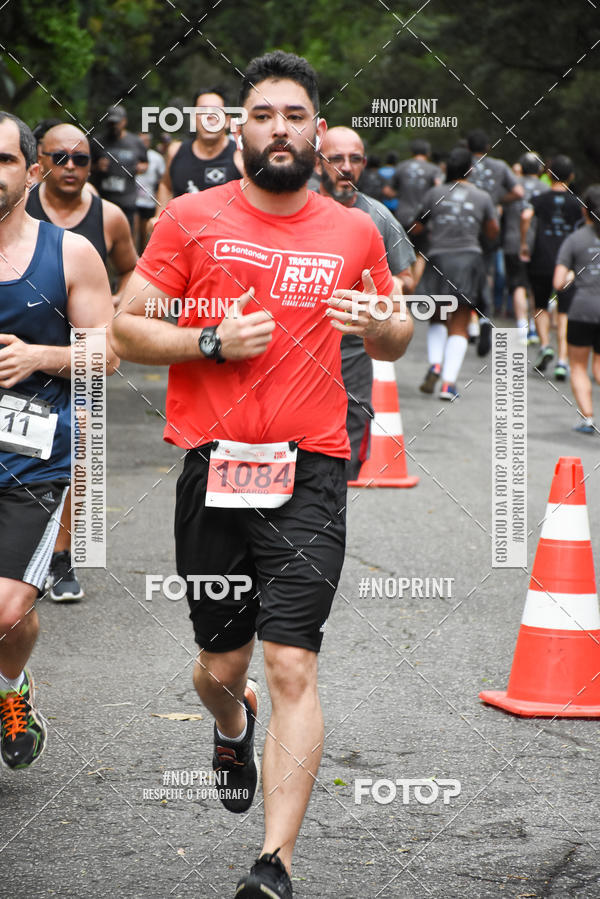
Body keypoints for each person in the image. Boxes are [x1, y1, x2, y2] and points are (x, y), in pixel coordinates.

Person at [111, 50, 412, 898]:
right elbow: (127, 329)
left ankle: (274, 862)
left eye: (295, 115)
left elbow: (392, 336)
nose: (280, 128)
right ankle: (231, 726)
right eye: (263, 114)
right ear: (238, 128)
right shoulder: (190, 219)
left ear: (317, 131)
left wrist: (381, 323)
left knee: (292, 663)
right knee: (220, 668)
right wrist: (209, 340)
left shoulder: (352, 230)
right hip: (212, 469)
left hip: (312, 469)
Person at [0, 112, 117, 769]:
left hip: (31, 460)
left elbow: (108, 352)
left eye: (4, 160)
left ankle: (12, 686)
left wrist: (40, 357)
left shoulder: (69, 252)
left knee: (9, 609)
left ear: (31, 171)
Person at [27, 122, 137, 602]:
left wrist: (121, 306)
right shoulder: (17, 205)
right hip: (20, 345)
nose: (71, 168)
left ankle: (62, 556)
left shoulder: (109, 216)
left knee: (80, 451)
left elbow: (134, 266)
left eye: (82, 159)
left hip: (82, 353)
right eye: (60, 157)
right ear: (39, 163)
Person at [317, 126, 415, 479]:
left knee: (347, 452)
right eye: (336, 159)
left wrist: (387, 294)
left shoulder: (378, 217)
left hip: (354, 351)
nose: (346, 167)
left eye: (354, 159)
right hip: (300, 348)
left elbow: (406, 277)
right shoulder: (296, 206)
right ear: (317, 163)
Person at [413, 146, 499, 399]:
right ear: (470, 170)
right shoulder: (482, 197)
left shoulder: (434, 194)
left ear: (446, 168)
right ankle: (448, 384)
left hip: (439, 259)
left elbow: (417, 227)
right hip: (468, 260)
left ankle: (435, 364)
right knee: (460, 324)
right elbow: (493, 230)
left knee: (438, 317)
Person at [521, 155, 584, 380]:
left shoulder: (539, 199)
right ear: (572, 176)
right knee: (565, 312)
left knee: (539, 305)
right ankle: (562, 361)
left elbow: (526, 215)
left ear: (548, 174)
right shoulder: (578, 203)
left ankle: (545, 345)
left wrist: (524, 244)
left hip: (541, 259)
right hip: (567, 265)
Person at [466, 129, 524, 352]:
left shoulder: (463, 163)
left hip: (465, 227)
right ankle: (484, 316)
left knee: (466, 273)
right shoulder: (500, 166)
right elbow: (518, 192)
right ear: (488, 147)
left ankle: (470, 323)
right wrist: (498, 199)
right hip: (491, 226)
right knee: (486, 274)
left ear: (468, 148)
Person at [553, 185, 600, 433]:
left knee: (579, 366)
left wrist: (572, 274)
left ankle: (588, 418)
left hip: (582, 309)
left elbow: (558, 283)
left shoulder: (575, 239)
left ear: (585, 212)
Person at [156, 87, 242, 208]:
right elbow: (165, 186)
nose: (209, 116)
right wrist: (159, 217)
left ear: (227, 121)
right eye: (202, 110)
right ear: (193, 118)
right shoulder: (175, 152)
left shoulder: (241, 157)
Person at [501, 152, 550, 344]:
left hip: (513, 241)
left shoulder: (514, 188)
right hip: (538, 245)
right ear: (540, 169)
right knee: (534, 288)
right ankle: (533, 327)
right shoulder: (545, 188)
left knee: (518, 285)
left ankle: (521, 326)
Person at [391, 139, 442, 285]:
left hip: (402, 217)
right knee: (421, 255)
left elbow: (389, 190)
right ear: (428, 153)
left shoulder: (401, 167)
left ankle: (407, 287)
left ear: (412, 152)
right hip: (423, 218)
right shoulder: (434, 169)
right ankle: (415, 288)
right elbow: (438, 190)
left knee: (404, 254)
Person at [92, 104, 148, 233]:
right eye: (111, 123)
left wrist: (140, 168)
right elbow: (85, 166)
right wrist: (97, 166)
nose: (114, 126)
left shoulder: (135, 142)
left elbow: (145, 163)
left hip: (126, 200)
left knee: (125, 236)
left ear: (124, 122)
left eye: (116, 123)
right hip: (102, 200)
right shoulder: (97, 141)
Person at [135, 132, 165, 253]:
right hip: (133, 200)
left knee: (145, 232)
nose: (143, 143)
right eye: (141, 141)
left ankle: (144, 255)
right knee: (134, 230)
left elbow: (163, 180)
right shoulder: (132, 154)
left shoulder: (157, 158)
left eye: (146, 140)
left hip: (150, 200)